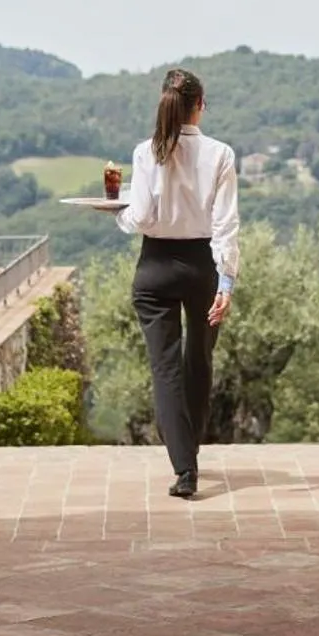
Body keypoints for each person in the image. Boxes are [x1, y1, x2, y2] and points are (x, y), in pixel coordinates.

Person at [116, 68, 239, 499]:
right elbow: (226, 225)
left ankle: (185, 468)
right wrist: (226, 282)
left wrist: (119, 214)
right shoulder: (220, 154)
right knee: (199, 361)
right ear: (200, 106)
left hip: (154, 268)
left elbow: (141, 216)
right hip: (202, 266)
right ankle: (191, 450)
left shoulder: (146, 152)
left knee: (164, 370)